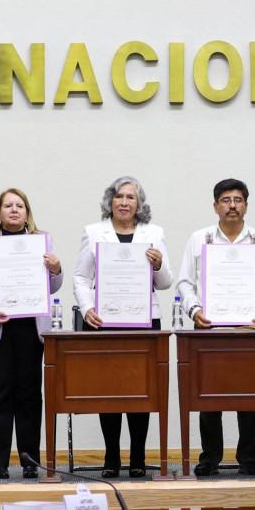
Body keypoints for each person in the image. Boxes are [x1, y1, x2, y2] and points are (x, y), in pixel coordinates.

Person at [175, 178, 255, 476]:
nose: (232, 205)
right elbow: (184, 282)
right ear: (215, 206)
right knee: (208, 395)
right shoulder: (200, 239)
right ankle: (210, 457)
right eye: (226, 200)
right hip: (208, 327)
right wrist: (195, 310)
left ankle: (248, 458)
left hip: (249, 328)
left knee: (249, 395)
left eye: (238, 200)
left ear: (246, 205)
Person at [72, 176, 173, 479]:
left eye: (131, 197)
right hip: (105, 321)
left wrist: (157, 265)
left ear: (139, 204)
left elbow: (166, 282)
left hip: (143, 321)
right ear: (110, 201)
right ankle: (111, 455)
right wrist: (88, 308)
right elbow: (80, 277)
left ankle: (139, 456)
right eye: (119, 196)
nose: (124, 202)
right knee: (110, 390)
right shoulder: (93, 232)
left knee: (141, 390)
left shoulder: (154, 233)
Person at [0, 188, 64, 480]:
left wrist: (56, 270)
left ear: (27, 213)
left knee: (30, 395)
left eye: (19, 205)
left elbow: (52, 287)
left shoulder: (40, 241)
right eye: (8, 205)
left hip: (31, 329)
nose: (14, 209)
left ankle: (30, 460)